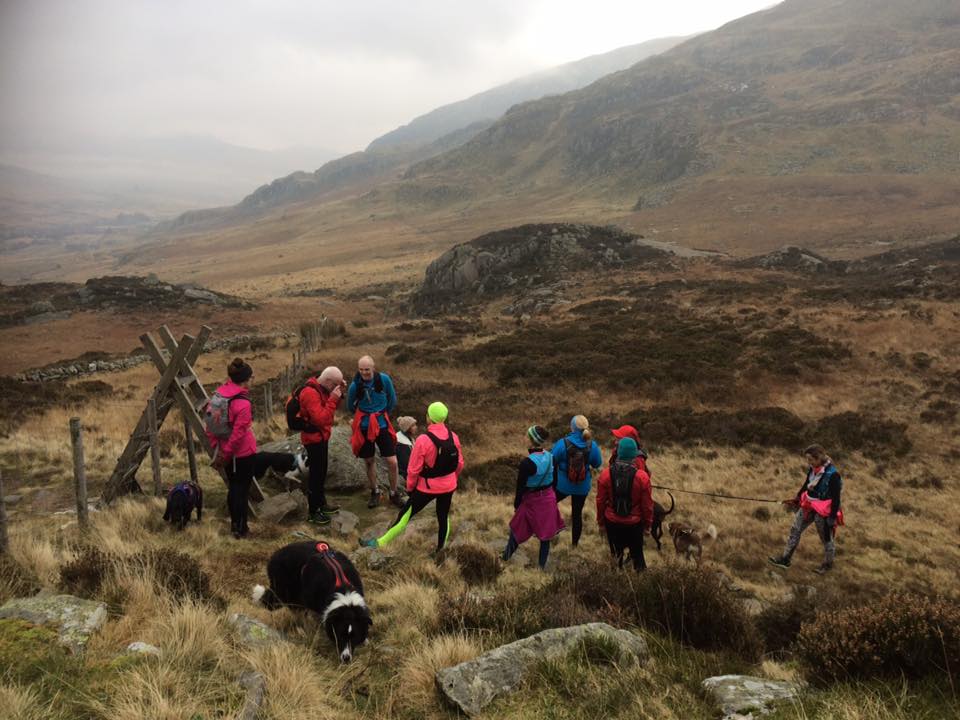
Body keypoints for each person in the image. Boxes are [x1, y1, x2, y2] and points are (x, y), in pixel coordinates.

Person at [360, 402, 463, 554]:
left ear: (429, 418)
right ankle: (441, 550)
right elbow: (459, 463)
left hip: (426, 488)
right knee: (443, 516)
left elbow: (413, 470)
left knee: (405, 516)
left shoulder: (423, 440)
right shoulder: (453, 437)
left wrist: (410, 488)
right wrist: (452, 480)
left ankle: (379, 543)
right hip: (448, 486)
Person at [769, 444, 844, 574]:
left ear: (819, 458)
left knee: (826, 538)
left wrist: (832, 517)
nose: (808, 462)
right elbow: (806, 484)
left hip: (824, 511)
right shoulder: (812, 469)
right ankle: (785, 559)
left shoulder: (833, 475)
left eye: (811, 459)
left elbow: (836, 498)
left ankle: (827, 564)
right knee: (795, 529)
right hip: (808, 505)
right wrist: (798, 497)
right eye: (807, 459)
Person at [205, 358, 257, 539]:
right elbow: (239, 433)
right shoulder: (243, 403)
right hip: (242, 454)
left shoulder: (218, 396)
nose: (252, 381)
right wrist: (227, 454)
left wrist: (217, 448)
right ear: (245, 380)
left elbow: (210, 424)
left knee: (233, 488)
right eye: (251, 378)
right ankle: (241, 529)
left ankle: (235, 525)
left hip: (224, 450)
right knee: (241, 490)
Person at [503, 425, 565, 570]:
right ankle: (541, 567)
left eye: (526, 436)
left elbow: (520, 488)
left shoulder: (527, 463)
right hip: (548, 500)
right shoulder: (551, 458)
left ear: (531, 441)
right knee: (546, 535)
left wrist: (517, 505)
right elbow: (554, 482)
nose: (524, 438)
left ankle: (505, 557)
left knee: (517, 528)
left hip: (531, 500)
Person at [347, 355, 403, 508]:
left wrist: (381, 414)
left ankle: (393, 493)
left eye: (367, 369)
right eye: (361, 370)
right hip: (364, 427)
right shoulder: (355, 386)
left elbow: (392, 400)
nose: (364, 373)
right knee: (369, 461)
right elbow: (350, 406)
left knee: (392, 462)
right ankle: (375, 492)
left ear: (373, 367)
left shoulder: (383, 380)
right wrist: (364, 417)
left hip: (382, 425)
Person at [297, 366, 346, 525]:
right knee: (316, 476)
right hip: (313, 440)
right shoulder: (310, 393)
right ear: (328, 381)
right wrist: (333, 399)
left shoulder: (321, 389)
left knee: (321, 473)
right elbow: (321, 419)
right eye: (335, 384)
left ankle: (321, 504)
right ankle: (313, 512)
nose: (334, 388)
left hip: (321, 438)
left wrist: (337, 394)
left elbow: (329, 411)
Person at [595, 438, 653, 571]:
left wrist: (601, 523)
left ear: (618, 452)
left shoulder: (605, 475)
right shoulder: (642, 477)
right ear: (634, 455)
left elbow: (600, 502)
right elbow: (647, 506)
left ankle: (616, 581)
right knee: (638, 557)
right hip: (634, 524)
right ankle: (641, 586)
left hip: (612, 523)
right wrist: (647, 525)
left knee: (616, 556)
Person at [552, 415, 603, 547]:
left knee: (550, 505)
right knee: (577, 514)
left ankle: (551, 534)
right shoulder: (592, 445)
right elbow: (597, 464)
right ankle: (574, 545)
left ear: (572, 427)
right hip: (582, 486)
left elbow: (552, 461)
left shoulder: (562, 443)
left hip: (562, 485)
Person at [395, 416, 418, 483]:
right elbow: (405, 465)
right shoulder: (402, 445)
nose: (416, 427)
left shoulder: (409, 439)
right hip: (406, 477)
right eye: (413, 426)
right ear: (407, 429)